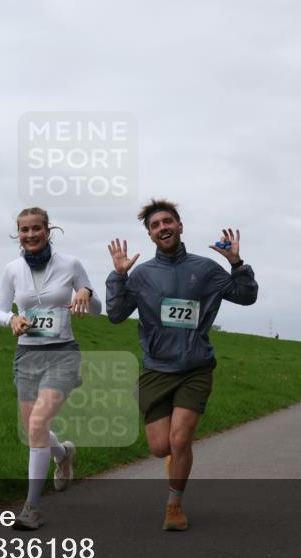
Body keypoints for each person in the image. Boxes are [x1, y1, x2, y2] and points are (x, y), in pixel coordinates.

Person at [106, 198, 258, 531]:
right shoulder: (142, 275)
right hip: (157, 370)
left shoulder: (204, 269)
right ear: (150, 235)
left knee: (180, 439)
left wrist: (237, 264)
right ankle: (175, 460)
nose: (162, 228)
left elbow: (246, 296)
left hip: (195, 367)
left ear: (179, 226)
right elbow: (116, 315)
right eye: (155, 225)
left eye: (167, 222)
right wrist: (118, 277)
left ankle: (174, 506)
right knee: (161, 448)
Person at [0, 207, 101, 530]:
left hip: (62, 354)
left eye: (36, 229)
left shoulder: (70, 264)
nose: (30, 235)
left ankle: (32, 507)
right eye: (24, 230)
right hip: (27, 356)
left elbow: (96, 310)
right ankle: (63, 454)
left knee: (39, 421)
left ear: (48, 230)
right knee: (34, 432)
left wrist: (87, 292)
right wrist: (12, 318)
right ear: (18, 234)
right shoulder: (12, 269)